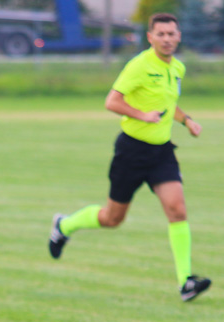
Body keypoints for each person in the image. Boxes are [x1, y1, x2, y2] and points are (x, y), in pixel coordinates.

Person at [48, 13, 211, 302]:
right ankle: (64, 225)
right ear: (150, 37)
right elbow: (111, 101)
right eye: (160, 34)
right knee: (112, 218)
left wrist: (187, 121)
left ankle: (185, 282)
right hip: (131, 152)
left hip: (162, 153)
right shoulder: (138, 65)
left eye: (171, 33)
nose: (167, 39)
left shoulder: (178, 69)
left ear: (179, 36)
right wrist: (141, 116)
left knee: (177, 210)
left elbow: (168, 104)